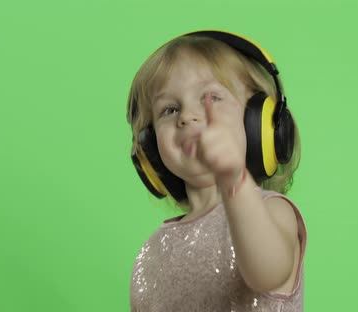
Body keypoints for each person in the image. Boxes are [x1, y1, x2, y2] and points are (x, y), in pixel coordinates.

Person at [126, 30, 307, 311]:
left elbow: (267, 272)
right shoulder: (152, 251)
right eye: (170, 109)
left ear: (257, 121)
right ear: (150, 148)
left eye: (211, 97)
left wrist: (235, 180)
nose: (188, 116)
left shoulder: (273, 212)